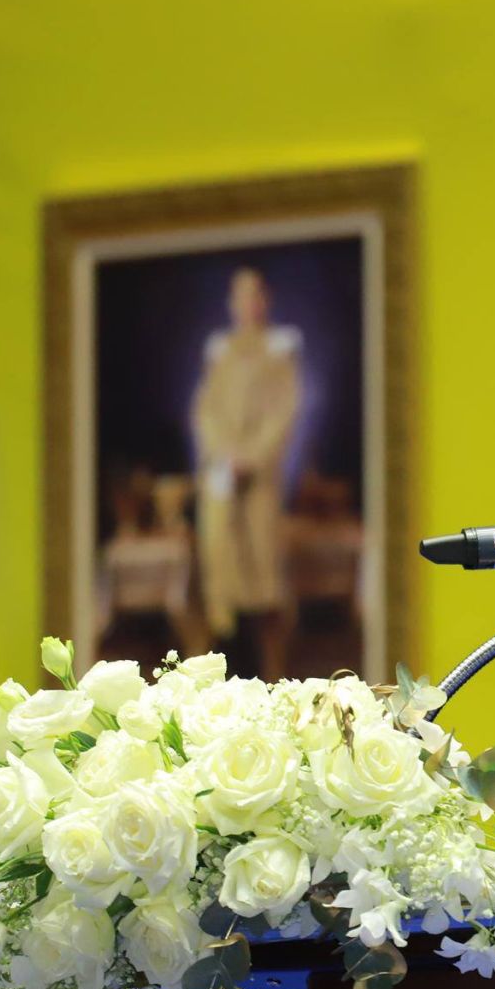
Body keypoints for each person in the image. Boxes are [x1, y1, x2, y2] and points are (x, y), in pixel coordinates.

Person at [191, 266, 301, 681]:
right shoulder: (221, 353)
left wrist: (252, 457)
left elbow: (283, 411)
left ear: (264, 300)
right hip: (222, 477)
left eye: (253, 295)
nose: (247, 305)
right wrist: (222, 452)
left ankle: (272, 671)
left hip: (258, 480)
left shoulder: (278, 351)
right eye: (239, 297)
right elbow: (206, 410)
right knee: (221, 571)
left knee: (263, 578)